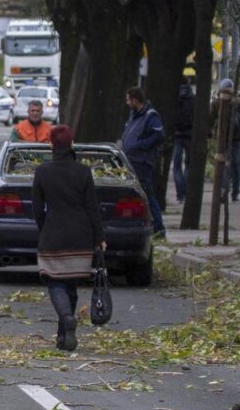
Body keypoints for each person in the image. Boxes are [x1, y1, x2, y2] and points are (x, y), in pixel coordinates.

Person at [32, 125, 105, 351]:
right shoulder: (83, 172)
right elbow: (92, 208)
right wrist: (98, 237)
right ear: (71, 144)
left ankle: (66, 317)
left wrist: (45, 228)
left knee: (54, 281)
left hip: (53, 235)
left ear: (51, 145)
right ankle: (63, 336)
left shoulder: (42, 172)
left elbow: (37, 209)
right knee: (71, 285)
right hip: (81, 237)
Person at [121, 86, 166, 237]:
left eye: (128, 100)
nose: (127, 103)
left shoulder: (150, 116)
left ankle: (159, 228)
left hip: (142, 161)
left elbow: (159, 135)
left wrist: (141, 146)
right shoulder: (135, 116)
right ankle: (147, 226)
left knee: (147, 194)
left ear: (135, 100)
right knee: (139, 195)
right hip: (133, 160)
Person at [208, 78, 240, 202]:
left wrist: (209, 133)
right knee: (234, 165)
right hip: (235, 138)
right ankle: (234, 192)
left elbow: (210, 119)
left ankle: (224, 189)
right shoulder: (238, 102)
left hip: (222, 138)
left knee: (224, 164)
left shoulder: (217, 102)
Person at [171, 72, 196, 203]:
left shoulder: (174, 98)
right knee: (189, 164)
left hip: (176, 134)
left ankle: (180, 194)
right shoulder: (193, 98)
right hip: (190, 135)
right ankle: (185, 191)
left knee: (176, 165)